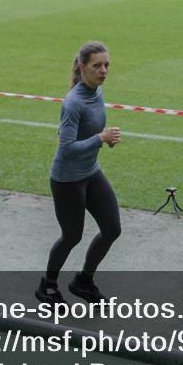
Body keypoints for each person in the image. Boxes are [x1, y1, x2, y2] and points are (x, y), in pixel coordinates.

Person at [36, 41, 122, 305]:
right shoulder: (74, 102)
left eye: (106, 65)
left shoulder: (97, 93)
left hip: (90, 172)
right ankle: (47, 285)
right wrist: (100, 138)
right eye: (97, 66)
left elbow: (85, 134)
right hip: (67, 180)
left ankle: (83, 281)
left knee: (112, 229)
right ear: (81, 66)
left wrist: (102, 139)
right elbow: (68, 148)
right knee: (72, 236)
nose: (104, 70)